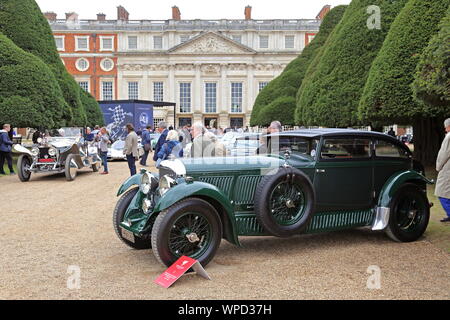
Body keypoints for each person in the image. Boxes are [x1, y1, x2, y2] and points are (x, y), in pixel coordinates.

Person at [436, 118, 450, 223]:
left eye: (446, 126)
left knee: (442, 194)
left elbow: (444, 154)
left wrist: (438, 166)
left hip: (447, 168)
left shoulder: (449, 137)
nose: (445, 128)